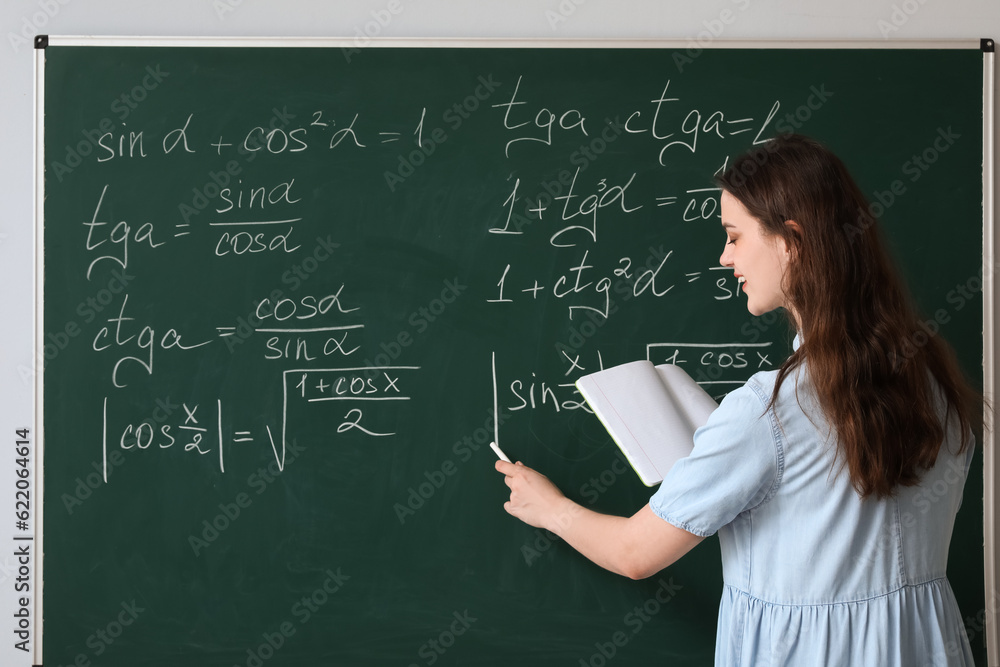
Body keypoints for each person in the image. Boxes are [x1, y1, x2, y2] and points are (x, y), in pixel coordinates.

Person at [495, 133, 982, 665]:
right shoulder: (934, 378)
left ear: (791, 241)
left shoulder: (768, 410)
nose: (725, 257)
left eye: (734, 236)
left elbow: (634, 554)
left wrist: (550, 509)